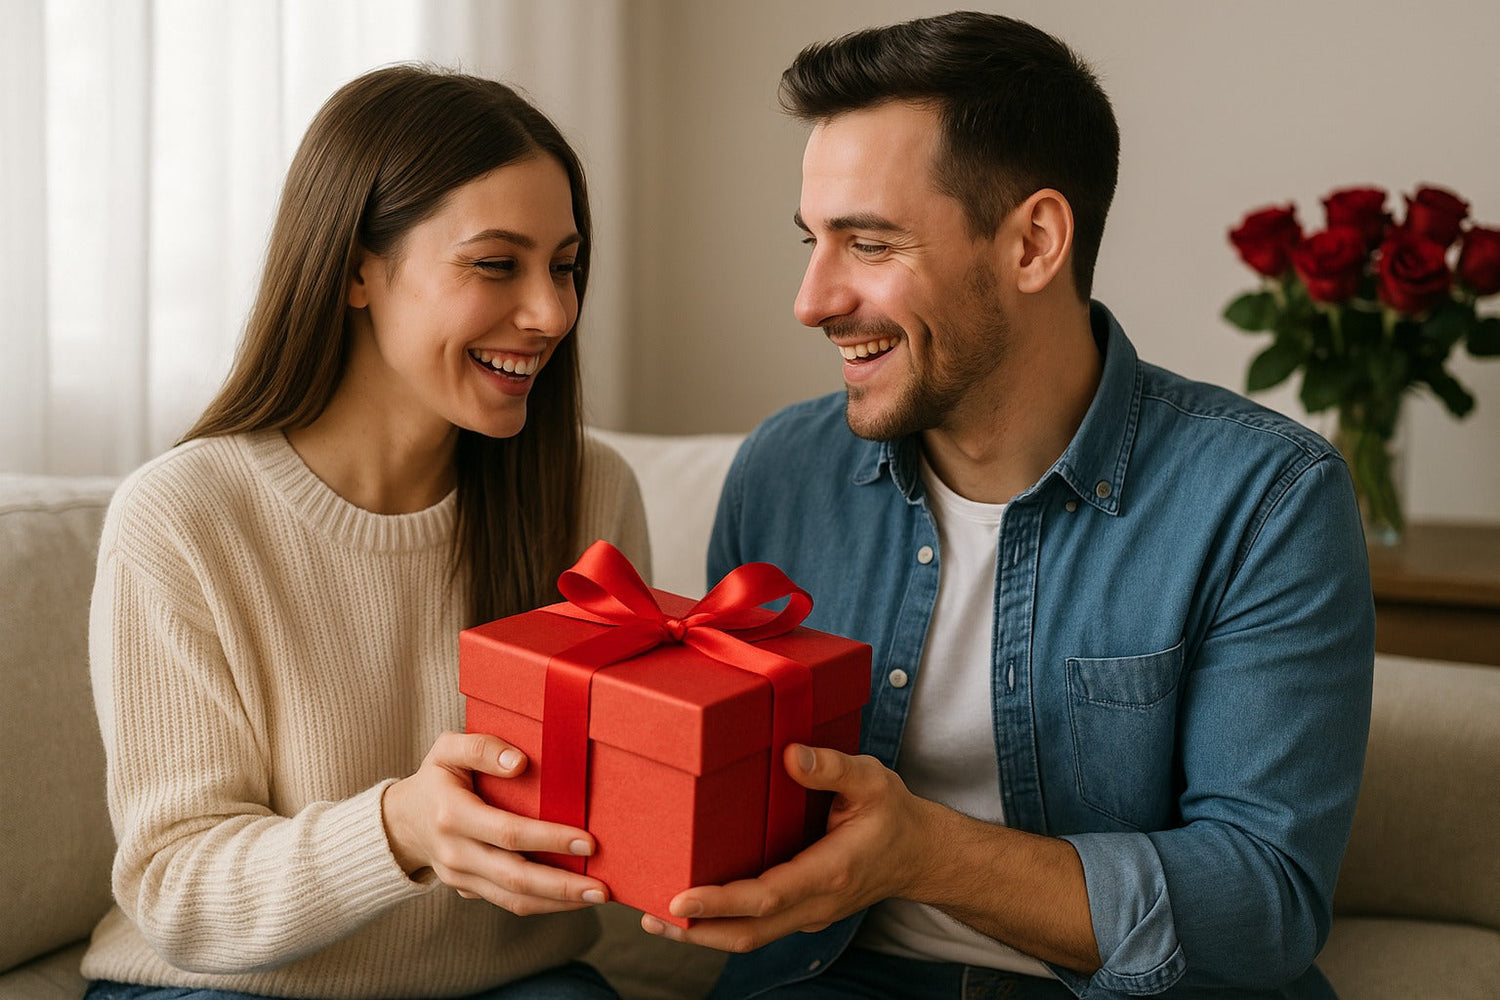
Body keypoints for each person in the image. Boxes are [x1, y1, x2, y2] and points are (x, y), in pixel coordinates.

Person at [639, 12, 1375, 1000]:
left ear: (1033, 243)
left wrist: (923, 853)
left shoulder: (1265, 498)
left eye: (869, 242)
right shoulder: (784, 470)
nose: (811, 300)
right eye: (813, 241)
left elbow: (1265, 901)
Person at [83, 66, 648, 1000]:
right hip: (218, 989)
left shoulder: (589, 494)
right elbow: (174, 891)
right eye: (496, 263)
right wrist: (400, 829)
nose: (551, 313)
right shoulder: (184, 517)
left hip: (510, 987)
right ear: (354, 268)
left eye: (565, 264)